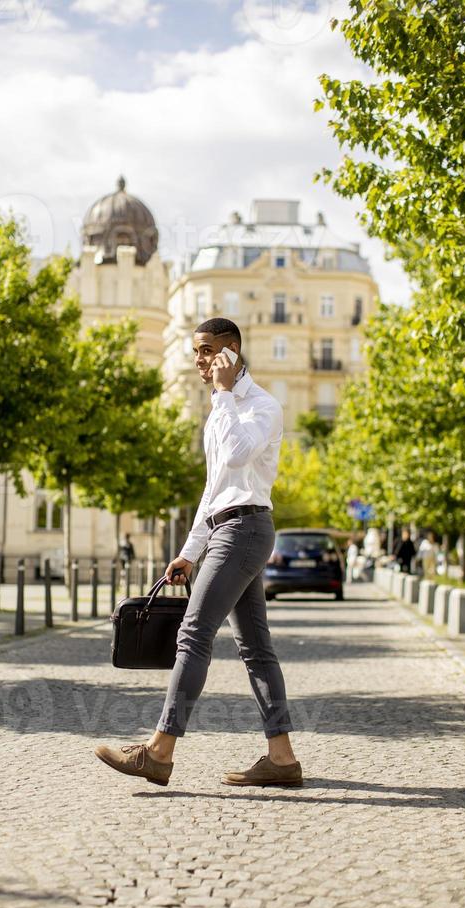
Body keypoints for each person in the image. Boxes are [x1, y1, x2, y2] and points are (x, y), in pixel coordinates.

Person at [95, 317, 301, 789]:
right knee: (256, 649)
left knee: (193, 633)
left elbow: (236, 456)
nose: (199, 361)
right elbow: (213, 490)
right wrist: (189, 551)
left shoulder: (261, 406)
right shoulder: (221, 408)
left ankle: (158, 753)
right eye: (197, 352)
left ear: (231, 350)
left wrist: (226, 394)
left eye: (207, 351)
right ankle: (283, 759)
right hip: (229, 529)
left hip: (246, 529)